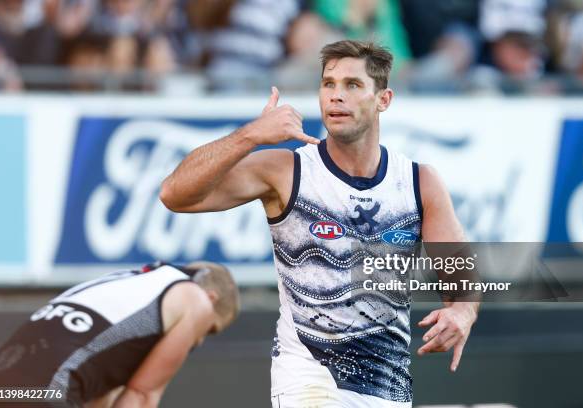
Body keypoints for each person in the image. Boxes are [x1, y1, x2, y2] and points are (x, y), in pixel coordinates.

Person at [160, 39, 478, 407]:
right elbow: (174, 193)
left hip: (389, 389)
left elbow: (460, 277)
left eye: (352, 85)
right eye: (329, 84)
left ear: (383, 100)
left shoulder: (419, 182)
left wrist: (462, 311)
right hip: (309, 383)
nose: (336, 96)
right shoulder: (287, 171)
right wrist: (250, 136)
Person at [0, 261, 239, 407]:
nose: (200, 339)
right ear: (211, 298)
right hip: (51, 391)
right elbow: (142, 395)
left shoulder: (132, 282)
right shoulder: (196, 301)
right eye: (210, 329)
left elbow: (100, 393)